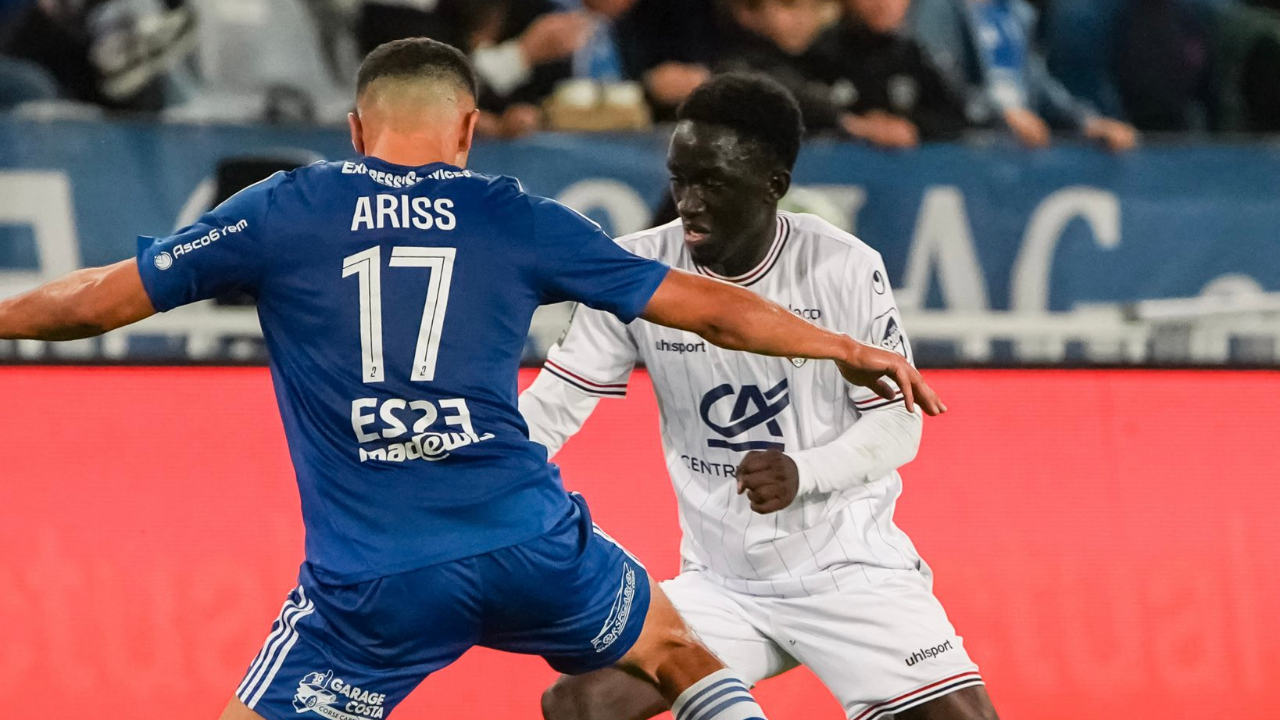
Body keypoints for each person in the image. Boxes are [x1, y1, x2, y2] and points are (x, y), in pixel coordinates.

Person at [0, 40, 945, 720]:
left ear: (355, 127)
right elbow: (702, 304)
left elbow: (93, 304)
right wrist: (842, 348)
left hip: (376, 574)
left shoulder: (285, 208)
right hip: (528, 539)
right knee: (670, 652)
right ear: (468, 127)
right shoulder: (515, 216)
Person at [523, 73, 998, 720]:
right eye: (679, 178)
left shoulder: (843, 266)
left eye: (712, 183)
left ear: (774, 186)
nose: (688, 202)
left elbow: (897, 428)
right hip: (723, 587)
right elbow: (551, 409)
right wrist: (470, 471)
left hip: (849, 572)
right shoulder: (635, 273)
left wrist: (805, 471)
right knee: (580, 704)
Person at [905, 0, 1138, 151]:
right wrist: (1002, 114)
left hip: (1021, 151)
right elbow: (941, 82)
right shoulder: (938, 9)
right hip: (965, 149)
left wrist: (1087, 121)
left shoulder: (1016, 14)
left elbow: (1038, 83)